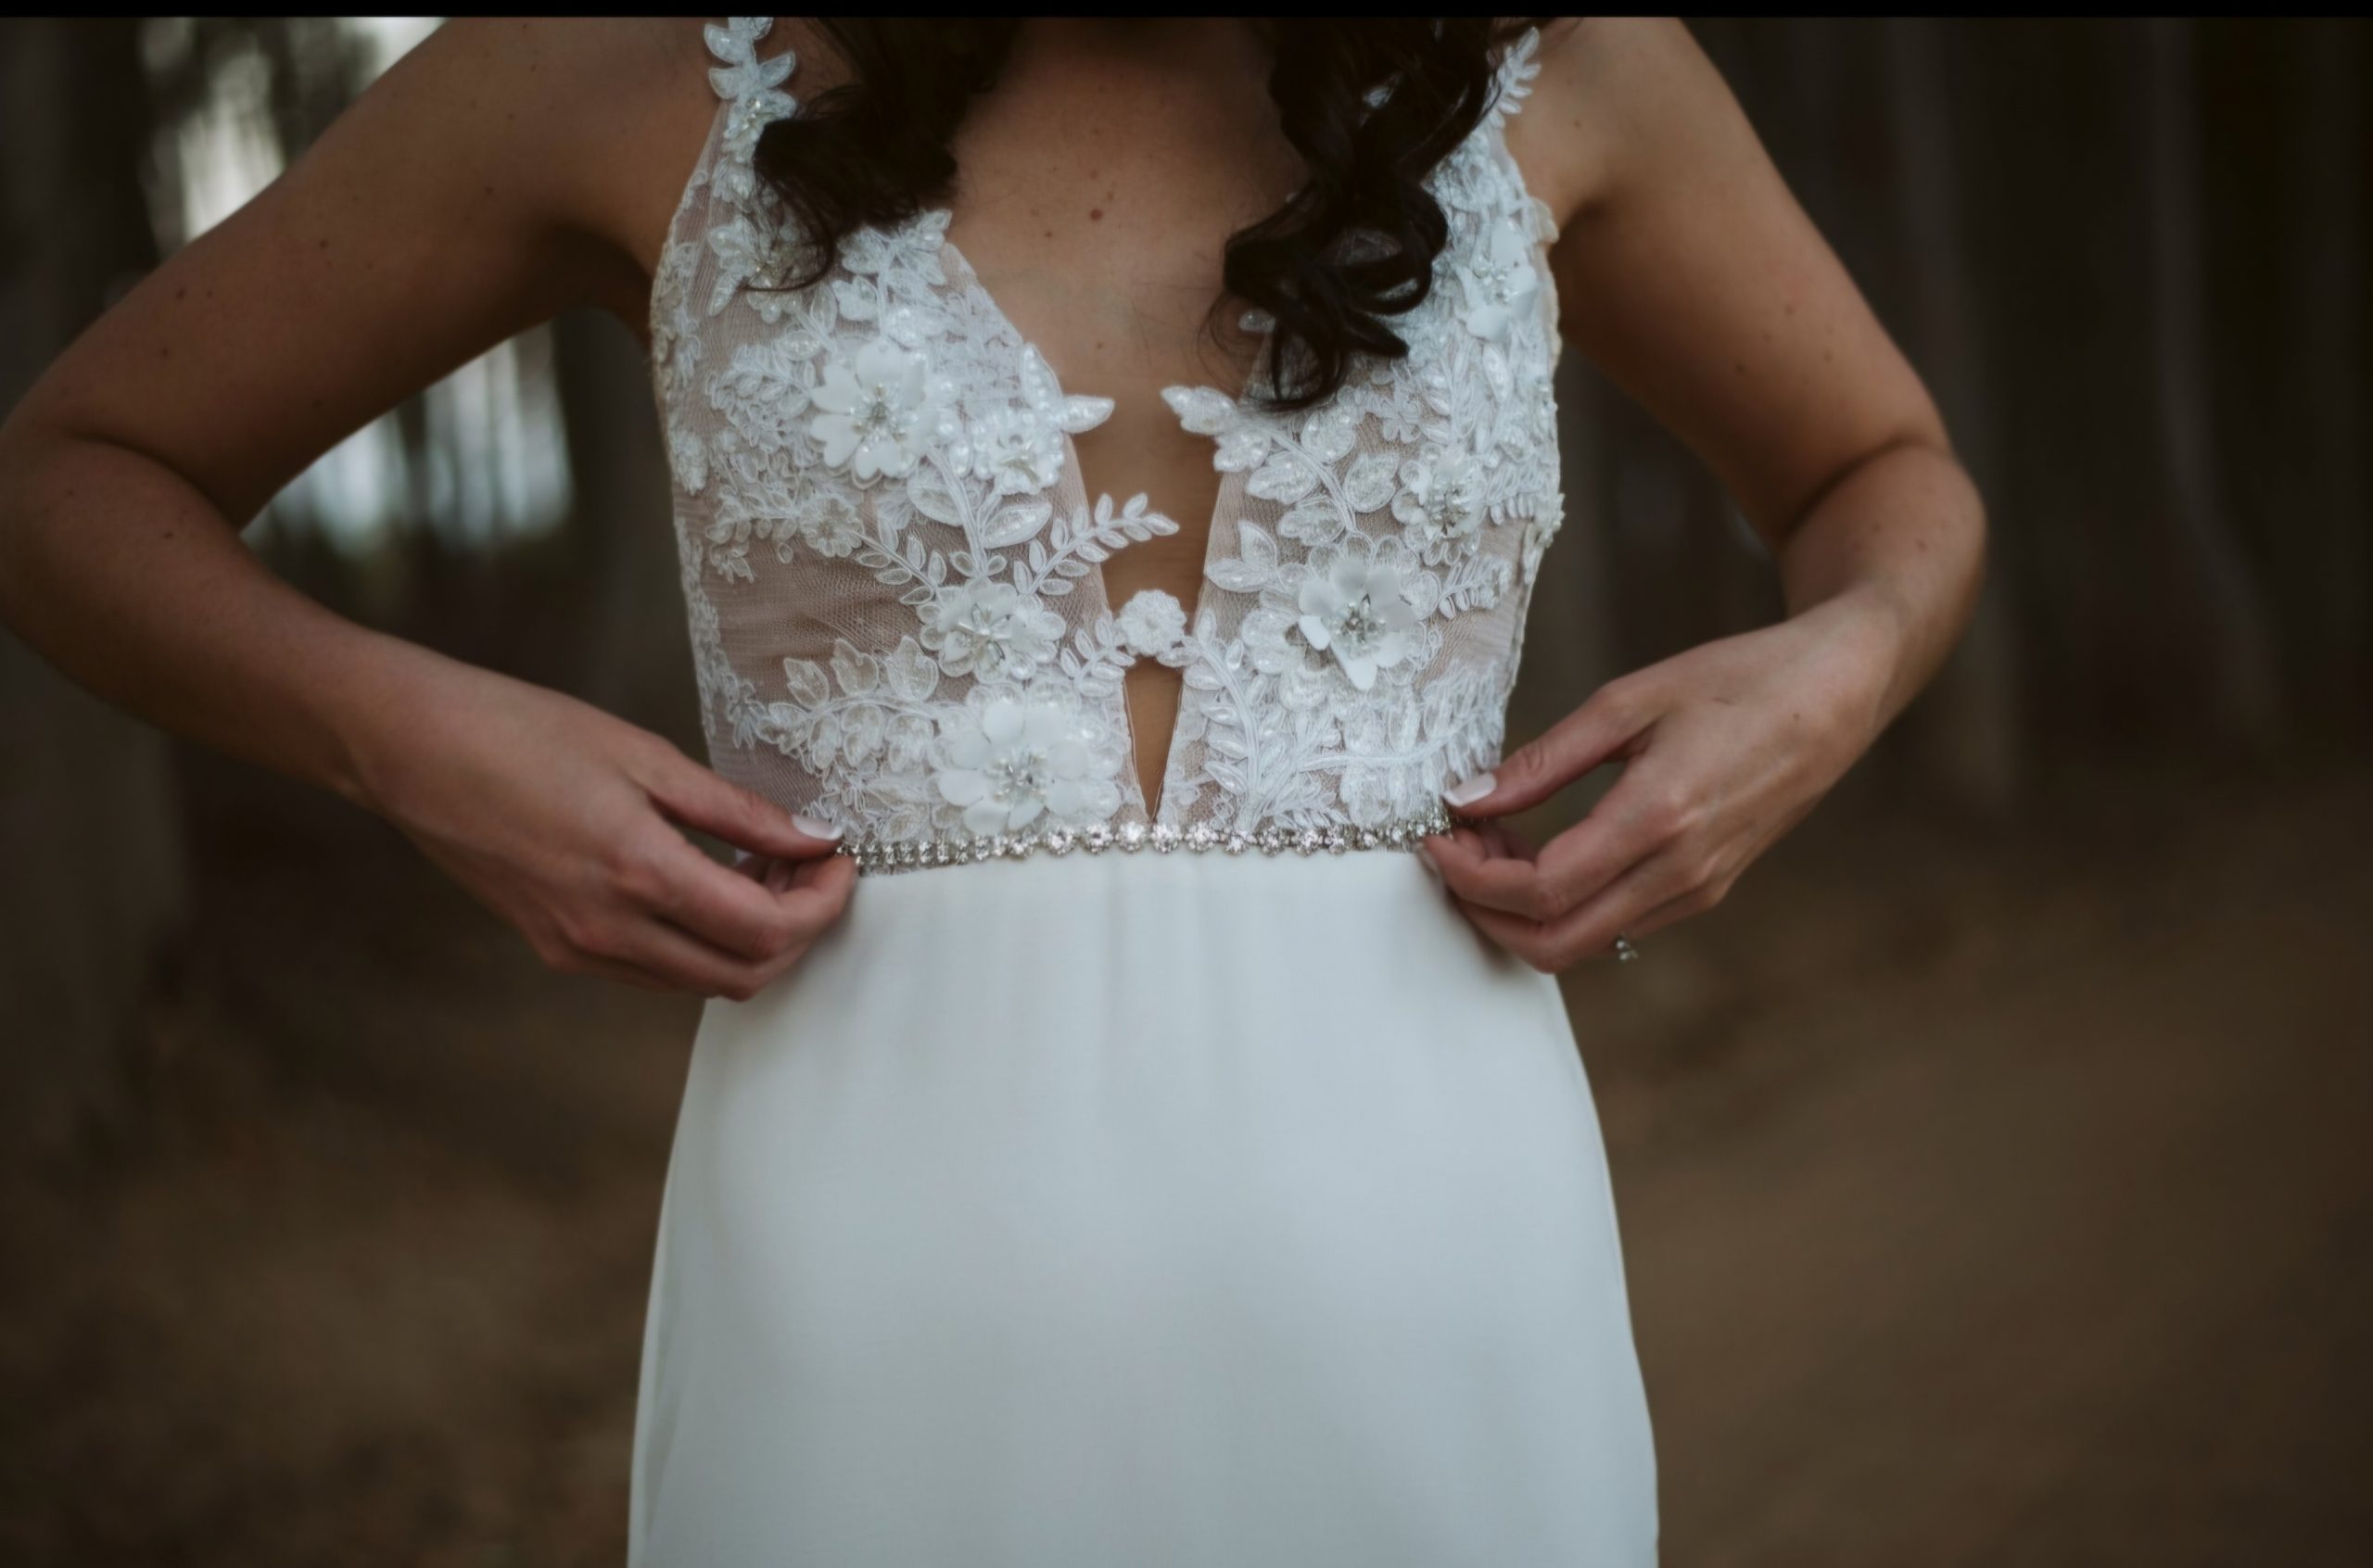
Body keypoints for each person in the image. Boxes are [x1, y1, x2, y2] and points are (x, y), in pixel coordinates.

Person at [0, 18, 1986, 1564]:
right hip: (865, 1298)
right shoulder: (628, 63)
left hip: (1441, 1274)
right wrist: (411, 735)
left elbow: (1879, 474)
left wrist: (1832, 673)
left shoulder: (1552, 63)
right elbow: (73, 478)